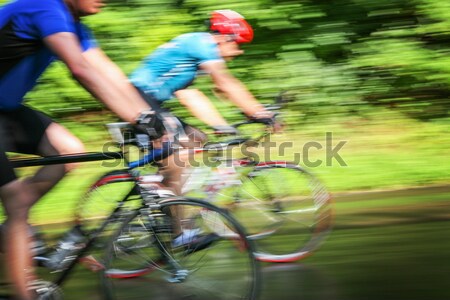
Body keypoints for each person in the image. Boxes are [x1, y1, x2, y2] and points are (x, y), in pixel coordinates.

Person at [0, 0, 168, 299]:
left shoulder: (76, 27)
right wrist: (139, 120)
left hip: (7, 111)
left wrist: (155, 120)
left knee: (69, 151)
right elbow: (80, 70)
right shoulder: (45, 8)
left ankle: (14, 231)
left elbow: (111, 76)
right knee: (15, 203)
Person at [130, 9, 280, 148]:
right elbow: (226, 84)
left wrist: (221, 126)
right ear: (223, 38)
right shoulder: (203, 46)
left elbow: (190, 95)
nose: (238, 51)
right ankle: (161, 176)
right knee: (176, 151)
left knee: (197, 140)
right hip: (140, 99)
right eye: (237, 44)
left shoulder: (195, 49)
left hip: (148, 101)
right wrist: (258, 112)